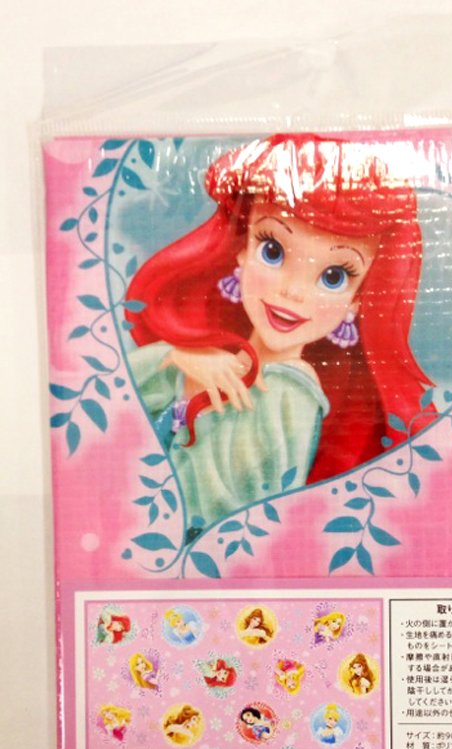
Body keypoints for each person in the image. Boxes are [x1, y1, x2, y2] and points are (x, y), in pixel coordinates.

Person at [125, 133, 433, 525]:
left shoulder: (289, 393)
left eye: (334, 276)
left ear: (358, 301)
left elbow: (221, 511)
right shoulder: (205, 361)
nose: (292, 291)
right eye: (272, 250)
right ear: (241, 250)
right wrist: (178, 358)